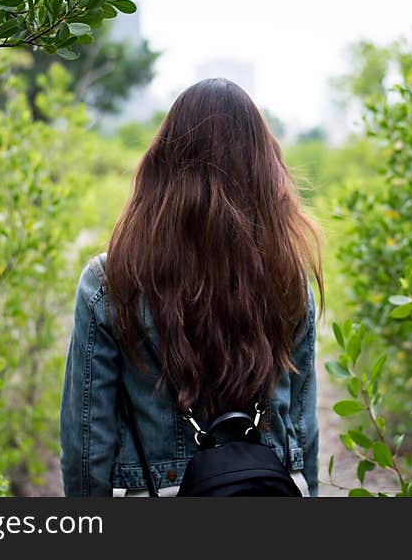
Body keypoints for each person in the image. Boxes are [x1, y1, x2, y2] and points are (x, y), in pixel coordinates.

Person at [59, 77, 323, 497]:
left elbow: (87, 447)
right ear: (263, 169)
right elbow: (302, 427)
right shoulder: (287, 275)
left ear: (161, 167)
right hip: (273, 488)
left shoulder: (113, 281)